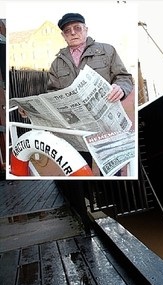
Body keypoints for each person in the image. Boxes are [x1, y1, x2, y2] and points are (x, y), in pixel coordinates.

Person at [48, 12, 133, 172]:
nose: (73, 32)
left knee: (110, 172)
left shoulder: (107, 51)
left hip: (106, 123)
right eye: (67, 30)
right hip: (76, 128)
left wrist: (120, 88)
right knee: (78, 169)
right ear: (63, 36)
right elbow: (52, 92)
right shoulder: (56, 63)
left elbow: (124, 77)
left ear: (86, 29)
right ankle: (87, 196)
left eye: (77, 28)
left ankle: (110, 196)